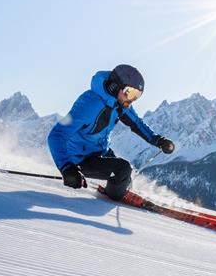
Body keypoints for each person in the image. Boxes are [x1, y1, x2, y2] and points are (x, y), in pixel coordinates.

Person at [48, 64, 175, 200]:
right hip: (79, 158)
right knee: (123, 169)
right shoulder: (90, 104)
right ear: (115, 86)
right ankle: (112, 200)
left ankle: (120, 192)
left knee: (126, 175)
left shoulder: (118, 104)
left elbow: (136, 123)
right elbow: (56, 135)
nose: (131, 100)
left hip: (99, 151)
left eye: (136, 96)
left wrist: (158, 140)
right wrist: (67, 168)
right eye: (130, 93)